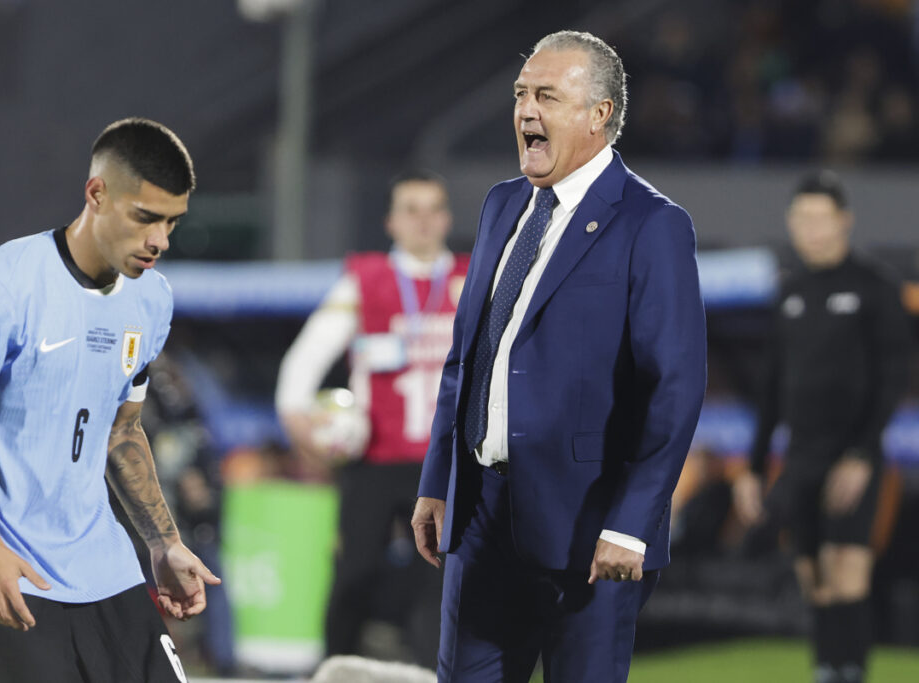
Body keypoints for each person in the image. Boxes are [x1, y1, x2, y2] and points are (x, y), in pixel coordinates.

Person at [411, 30, 707, 682]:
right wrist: (439, 479)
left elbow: (675, 385)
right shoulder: (501, 204)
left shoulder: (652, 223)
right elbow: (468, 356)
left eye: (546, 95)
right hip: (481, 514)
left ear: (599, 114)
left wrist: (633, 523)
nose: (525, 111)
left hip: (589, 526)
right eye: (520, 94)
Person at [0, 117, 221, 683]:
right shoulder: (6, 282)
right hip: (10, 565)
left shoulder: (151, 299)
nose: (160, 240)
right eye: (146, 218)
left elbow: (123, 431)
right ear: (97, 194)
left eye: (173, 223)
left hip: (105, 565)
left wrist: (164, 542)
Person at [276, 171, 469, 668]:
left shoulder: (473, 278)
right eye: (411, 209)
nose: (423, 221)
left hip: (446, 461)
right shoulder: (366, 279)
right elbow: (304, 360)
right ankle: (332, 669)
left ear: (447, 218)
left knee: (444, 580)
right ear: (391, 221)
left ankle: (436, 675)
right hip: (375, 457)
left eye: (433, 210)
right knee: (354, 573)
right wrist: (300, 422)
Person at [733, 170, 909, 683]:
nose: (811, 228)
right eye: (802, 218)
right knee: (813, 578)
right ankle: (828, 670)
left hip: (854, 455)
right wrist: (752, 467)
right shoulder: (790, 292)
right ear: (792, 223)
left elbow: (892, 380)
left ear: (844, 222)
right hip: (801, 457)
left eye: (821, 218)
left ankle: (847, 672)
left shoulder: (874, 288)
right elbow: (770, 390)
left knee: (847, 569)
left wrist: (860, 454)